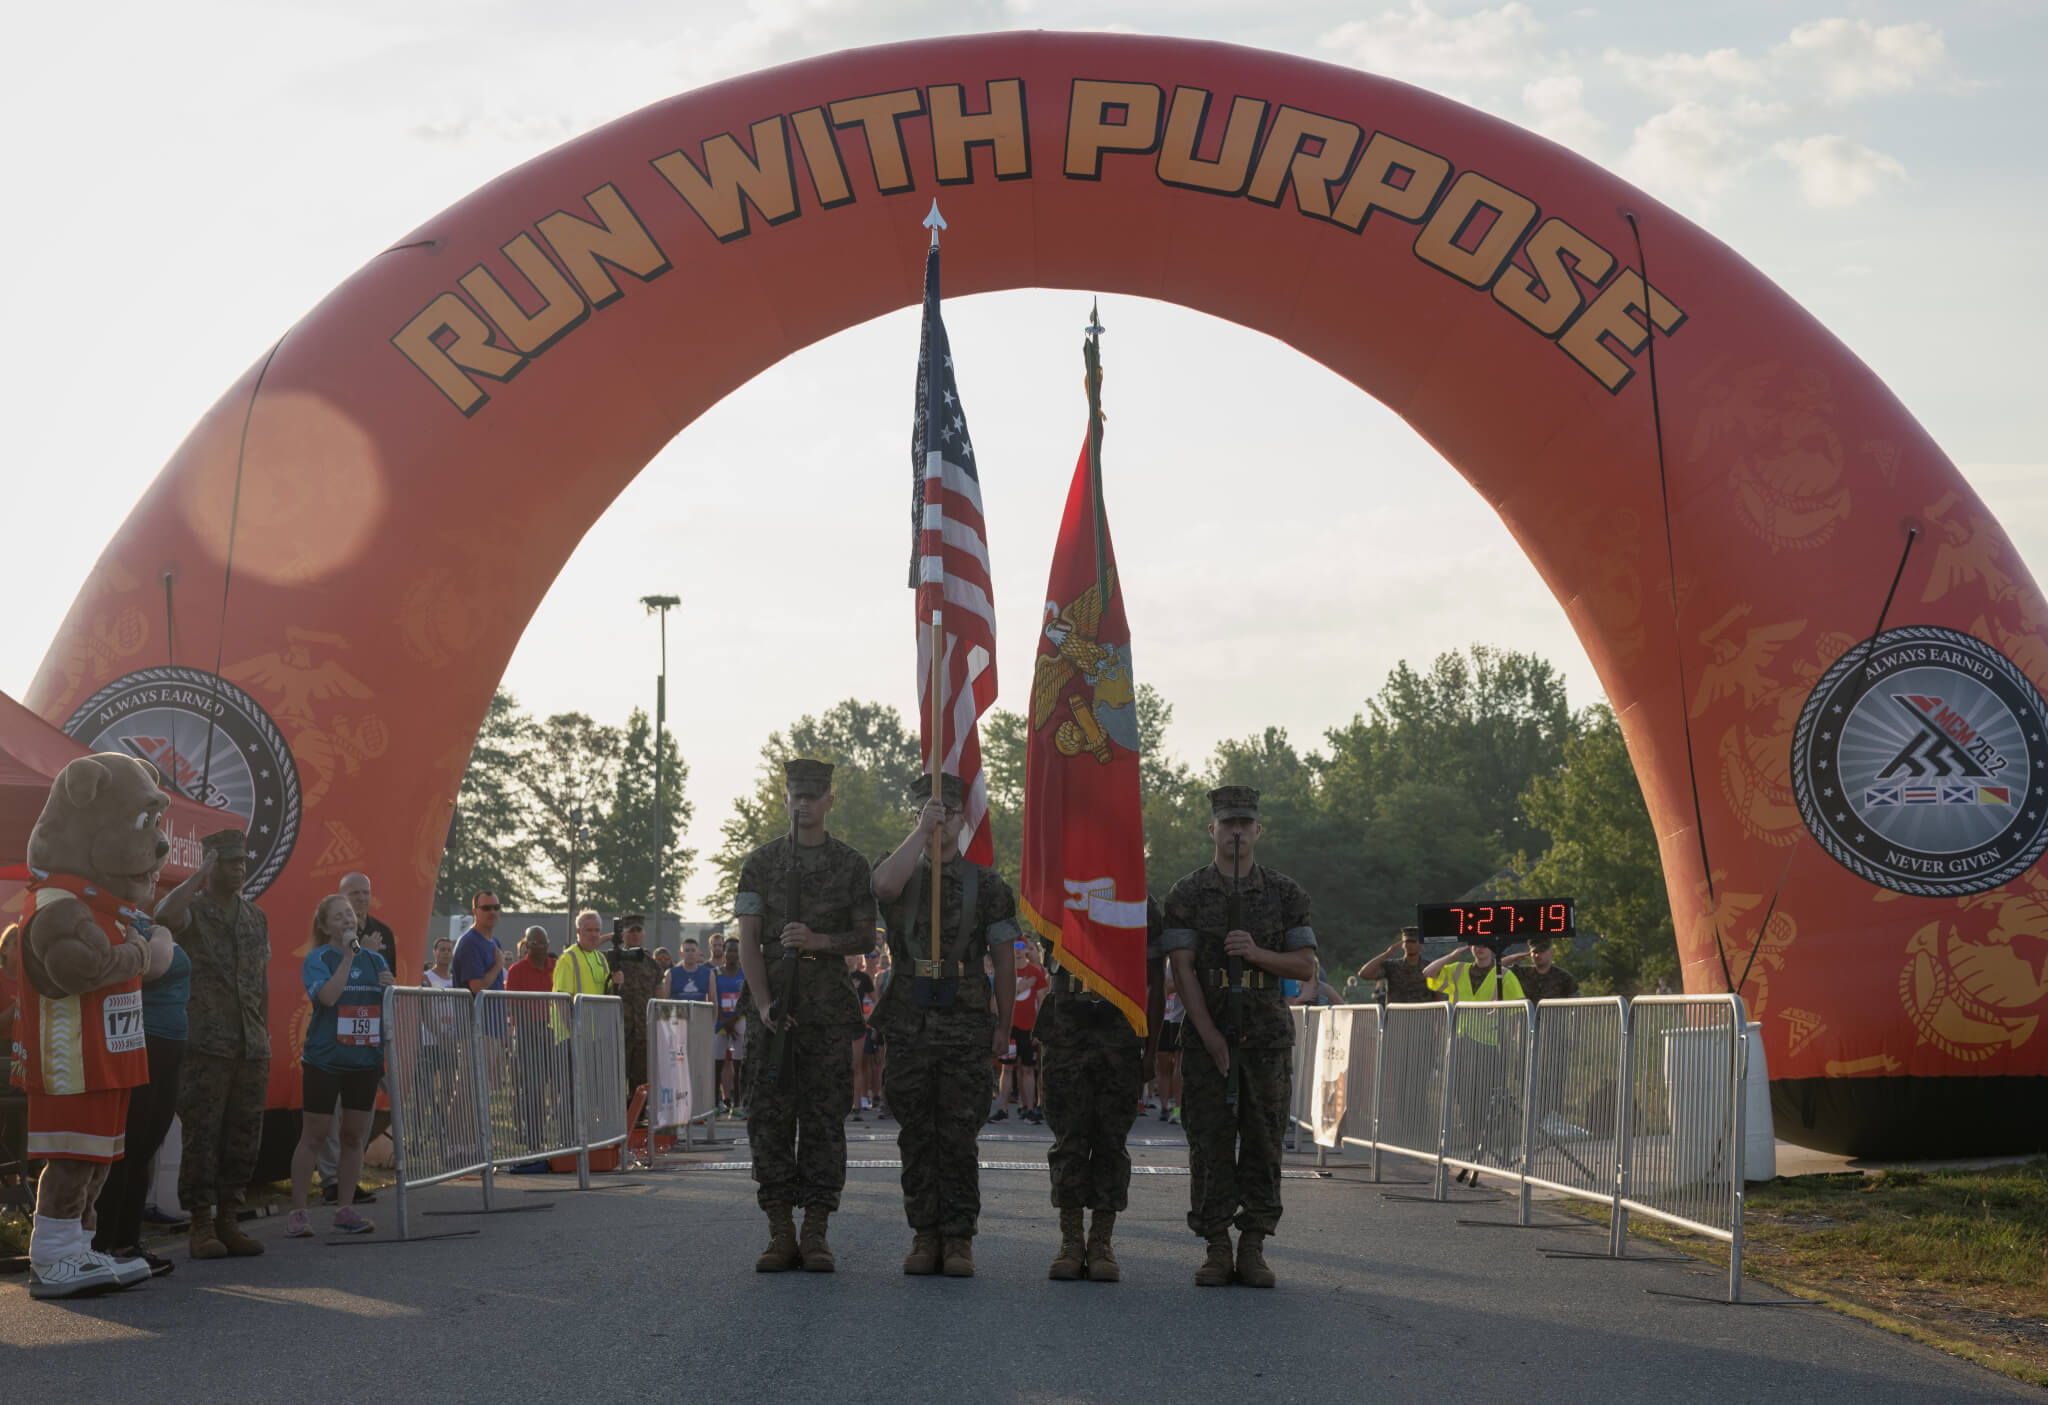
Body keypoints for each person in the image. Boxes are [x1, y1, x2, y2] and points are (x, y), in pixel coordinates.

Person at [1162, 786, 1317, 1289]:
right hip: (1209, 1030)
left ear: (1257, 831)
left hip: (1265, 1036)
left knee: (1263, 1139)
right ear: (1212, 830)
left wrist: (1255, 954)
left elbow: (1304, 965)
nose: (1235, 832)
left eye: (1243, 824)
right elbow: (1181, 968)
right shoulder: (1187, 893)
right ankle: (1215, 1244)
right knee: (1208, 1140)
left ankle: (1253, 1244)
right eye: (1226, 824)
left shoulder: (1284, 893)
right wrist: (1207, 1033)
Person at [869, 772, 1017, 1279]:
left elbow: (1003, 960)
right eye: (932, 812)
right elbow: (882, 886)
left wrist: (1005, 1025)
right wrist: (919, 834)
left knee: (958, 1133)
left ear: (963, 818)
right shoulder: (904, 873)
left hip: (966, 1019)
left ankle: (958, 1238)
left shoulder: (989, 885)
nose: (942, 820)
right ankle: (923, 1234)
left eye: (950, 813)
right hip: (910, 1018)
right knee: (916, 1132)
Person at [733, 759, 877, 1274]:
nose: (804, 803)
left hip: (826, 1015)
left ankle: (816, 1232)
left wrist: (819, 941)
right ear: (786, 796)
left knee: (822, 1125)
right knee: (769, 1123)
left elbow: (866, 935)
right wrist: (766, 1003)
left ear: (829, 801)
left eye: (814, 795)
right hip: (774, 1013)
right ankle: (779, 1232)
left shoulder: (851, 864)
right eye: (796, 793)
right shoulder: (761, 863)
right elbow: (749, 940)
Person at [157, 827, 271, 1261]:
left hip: (250, 1042)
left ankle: (229, 1217)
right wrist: (197, 875)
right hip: (207, 1043)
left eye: (242, 861)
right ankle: (201, 1223)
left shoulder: (255, 917)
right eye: (228, 861)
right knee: (203, 1136)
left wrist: (266, 1031)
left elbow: (260, 979)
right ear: (210, 865)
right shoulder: (195, 911)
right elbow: (164, 917)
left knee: (243, 1136)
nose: (239, 868)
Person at [1037, 899, 1164, 1282]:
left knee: (1110, 1141)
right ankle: (1071, 1241)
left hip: (1119, 1033)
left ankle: (1102, 1241)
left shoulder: (1140, 900)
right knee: (1069, 1140)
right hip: (1065, 1031)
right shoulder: (1055, 889)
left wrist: (1152, 1047)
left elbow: (1156, 982)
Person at [89, 888, 193, 1278]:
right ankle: (106, 1243)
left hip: (170, 1048)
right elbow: (155, 966)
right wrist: (163, 932)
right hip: (141, 1043)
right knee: (130, 1146)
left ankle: (128, 1242)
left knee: (147, 1145)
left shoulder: (150, 926)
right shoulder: (128, 925)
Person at [287, 895, 393, 1237]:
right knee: (314, 1136)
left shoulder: (376, 961)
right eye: (338, 917)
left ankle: (345, 1209)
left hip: (364, 1061)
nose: (347, 920)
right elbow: (329, 998)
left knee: (353, 1137)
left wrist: (390, 989)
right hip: (325, 1061)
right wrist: (348, 956)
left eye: (349, 914)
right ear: (324, 926)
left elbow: (386, 1011)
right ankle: (298, 1213)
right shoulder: (319, 958)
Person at [317, 871, 393, 1206]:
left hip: (368, 1032)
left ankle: (350, 1178)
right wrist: (366, 953)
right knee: (333, 1111)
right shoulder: (331, 929)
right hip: (335, 1032)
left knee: (358, 1109)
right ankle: (331, 1181)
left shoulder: (382, 932)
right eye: (354, 894)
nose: (361, 899)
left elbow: (386, 979)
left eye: (366, 892)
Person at [1423, 942, 1525, 1185]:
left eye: (1484, 946)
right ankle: (1475, 1144)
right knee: (1463, 1098)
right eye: (1475, 946)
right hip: (1461, 1042)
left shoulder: (1505, 975)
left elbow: (1518, 1010)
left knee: (1484, 1100)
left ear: (1492, 949)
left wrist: (1510, 1040)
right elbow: (1428, 974)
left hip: (1489, 1044)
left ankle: (1479, 1149)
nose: (1480, 950)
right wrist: (1450, 955)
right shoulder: (1458, 969)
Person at [615, 915, 664, 1111]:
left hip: (644, 1032)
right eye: (630, 931)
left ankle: (637, 1120)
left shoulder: (652, 965)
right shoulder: (614, 960)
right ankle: (616, 1119)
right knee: (616, 1078)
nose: (635, 934)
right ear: (623, 934)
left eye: (638, 931)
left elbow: (660, 999)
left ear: (643, 934)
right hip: (619, 1030)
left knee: (641, 1080)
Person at [996, 944, 1049, 1124]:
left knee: (1028, 1069)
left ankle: (1030, 1109)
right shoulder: (1004, 971)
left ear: (1027, 950)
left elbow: (1042, 1000)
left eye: (1021, 946)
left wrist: (1039, 1029)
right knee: (1007, 1068)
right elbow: (996, 999)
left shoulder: (1036, 972)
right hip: (1010, 1029)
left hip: (1028, 1029)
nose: (1017, 950)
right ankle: (1002, 1110)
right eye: (1014, 946)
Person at [1356, 927, 1444, 1004]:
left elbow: (1438, 997)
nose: (1410, 945)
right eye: (1407, 942)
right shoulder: (1391, 966)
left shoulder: (1430, 968)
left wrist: (1438, 1020)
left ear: (1421, 944)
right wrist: (1387, 954)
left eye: (1413, 942)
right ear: (1403, 944)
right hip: (1397, 1018)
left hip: (1423, 1019)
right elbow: (1364, 974)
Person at [712, 939, 746, 1112]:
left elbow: (749, 999)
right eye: (730, 950)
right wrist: (724, 1020)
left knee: (739, 1063)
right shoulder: (715, 973)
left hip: (739, 1021)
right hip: (720, 1021)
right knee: (717, 1063)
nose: (732, 954)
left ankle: (738, 1103)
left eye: (736, 951)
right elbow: (711, 998)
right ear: (724, 952)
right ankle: (715, 1102)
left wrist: (733, 1020)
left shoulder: (746, 973)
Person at [452, 891, 507, 996]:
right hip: (476, 1012)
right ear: (475, 911)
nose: (492, 912)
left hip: (495, 1012)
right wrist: (498, 965)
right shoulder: (469, 943)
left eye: (496, 907)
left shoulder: (495, 941)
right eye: (486, 908)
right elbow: (477, 987)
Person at [1505, 937, 1581, 1005]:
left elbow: (1577, 1005)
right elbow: (1495, 969)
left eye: (1541, 951)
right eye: (1534, 952)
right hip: (1528, 1019)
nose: (1537, 955)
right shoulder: (1522, 973)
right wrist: (1512, 958)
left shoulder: (1564, 978)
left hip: (1554, 1020)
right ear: (1530, 953)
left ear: (1551, 952)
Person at [1156, 964, 1184, 1124]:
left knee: (1178, 1065)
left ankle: (1178, 1109)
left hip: (1184, 1017)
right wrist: (1187, 979)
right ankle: (1165, 1107)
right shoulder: (1173, 960)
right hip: (1169, 1018)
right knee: (1164, 1065)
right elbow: (1167, 986)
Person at [505, 928, 555, 993]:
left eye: (544, 943)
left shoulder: (557, 967)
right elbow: (512, 1001)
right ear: (527, 945)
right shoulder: (515, 971)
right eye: (536, 943)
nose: (541, 946)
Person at [667, 937, 713, 1003]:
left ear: (698, 953)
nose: (690, 953)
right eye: (687, 950)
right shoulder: (670, 974)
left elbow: (713, 1002)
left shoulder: (708, 974)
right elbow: (665, 1002)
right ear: (681, 954)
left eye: (693, 950)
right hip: (679, 1013)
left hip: (700, 1013)